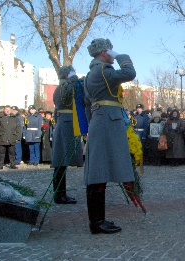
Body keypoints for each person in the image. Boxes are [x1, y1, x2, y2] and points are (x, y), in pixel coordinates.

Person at [84, 38, 136, 234]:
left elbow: (88, 104)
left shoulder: (91, 73)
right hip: (107, 121)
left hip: (100, 120)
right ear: (104, 53)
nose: (112, 54)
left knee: (99, 173)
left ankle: (98, 220)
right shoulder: (103, 70)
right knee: (98, 174)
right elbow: (130, 73)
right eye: (110, 51)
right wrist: (120, 56)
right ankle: (97, 223)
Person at [51, 65, 84, 204]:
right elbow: (67, 97)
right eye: (72, 73)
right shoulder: (64, 86)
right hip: (67, 124)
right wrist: (75, 80)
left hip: (67, 123)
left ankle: (60, 193)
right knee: (61, 160)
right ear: (66, 75)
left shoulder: (63, 86)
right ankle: (59, 194)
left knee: (61, 160)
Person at [0, 105, 21, 170]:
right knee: (1, 153)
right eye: (6, 110)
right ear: (4, 110)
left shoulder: (15, 118)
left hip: (12, 137)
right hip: (2, 137)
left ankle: (13, 164)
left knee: (12, 153)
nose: (7, 111)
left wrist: (17, 137)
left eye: (9, 110)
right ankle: (0, 165)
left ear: (11, 110)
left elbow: (18, 128)